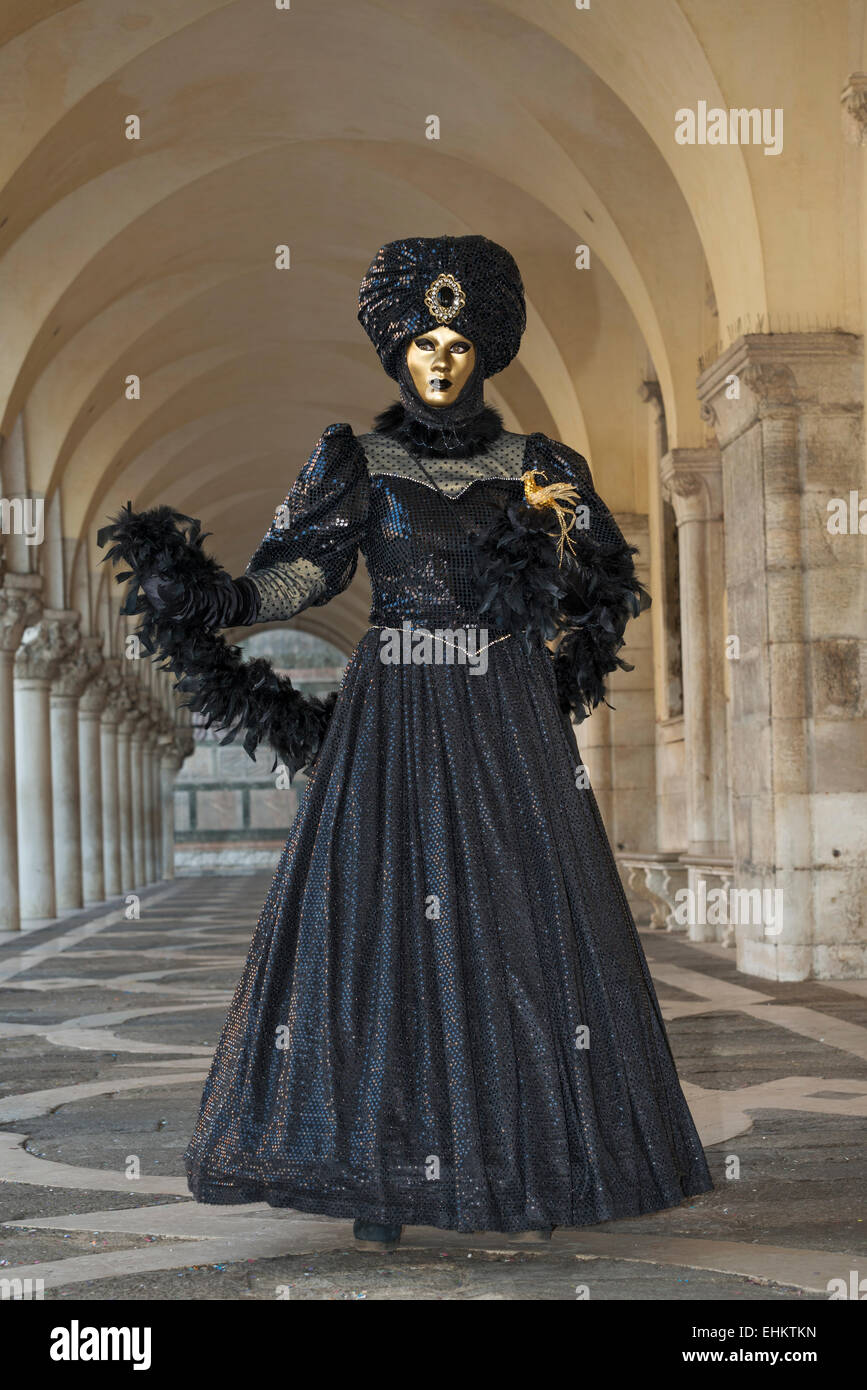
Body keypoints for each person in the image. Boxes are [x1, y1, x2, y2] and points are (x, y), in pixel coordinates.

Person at [100, 235, 713, 1252]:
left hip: (505, 716)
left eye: (460, 339)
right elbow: (300, 575)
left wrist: (554, 662)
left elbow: (601, 582)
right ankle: (379, 1169)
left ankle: (529, 1165)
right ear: (394, 350)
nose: (439, 356)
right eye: (422, 338)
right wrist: (214, 596)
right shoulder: (360, 461)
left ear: (489, 350)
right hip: (394, 721)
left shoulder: (537, 469)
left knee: (523, 931)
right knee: (379, 936)